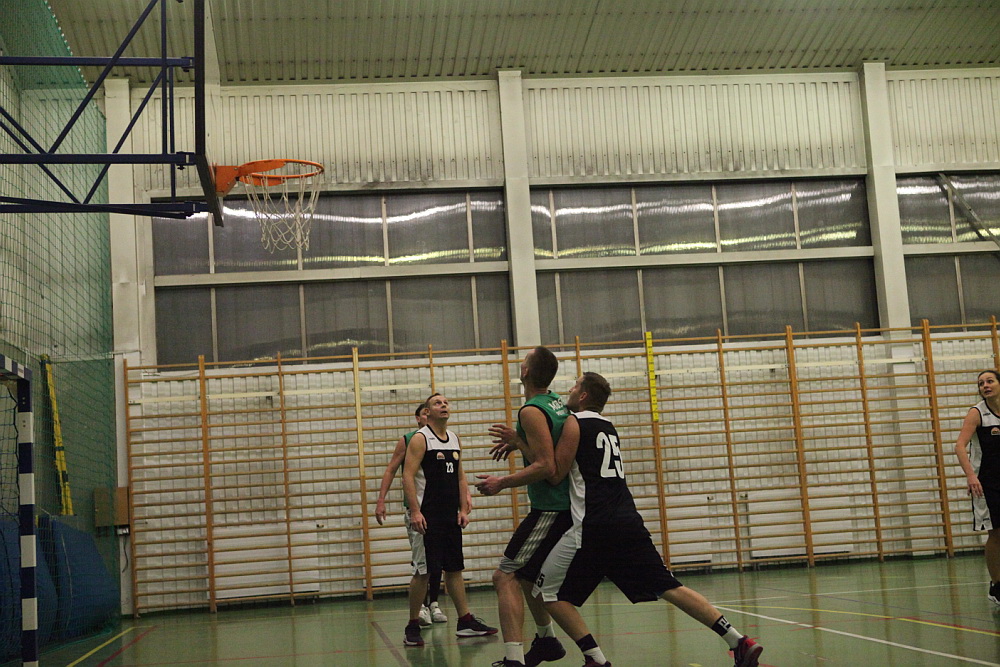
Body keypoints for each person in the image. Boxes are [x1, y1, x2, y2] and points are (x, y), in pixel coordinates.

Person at [534, 372, 763, 667]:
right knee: (669, 586)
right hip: (627, 520)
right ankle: (738, 640)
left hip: (594, 525)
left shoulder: (574, 423)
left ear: (584, 395)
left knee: (547, 592)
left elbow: (555, 474)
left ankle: (595, 659)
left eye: (575, 385)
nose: (570, 388)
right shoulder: (608, 426)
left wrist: (524, 445)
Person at [477, 346, 572, 667]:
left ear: (527, 372)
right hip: (562, 506)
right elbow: (550, 452)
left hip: (551, 509)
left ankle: (514, 659)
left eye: (524, 361)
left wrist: (501, 482)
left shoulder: (531, 411)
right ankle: (547, 641)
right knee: (529, 577)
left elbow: (547, 466)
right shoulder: (555, 402)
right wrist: (519, 442)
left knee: (503, 576)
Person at [400, 392, 497, 647]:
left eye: (445, 402)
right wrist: (415, 511)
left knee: (454, 569)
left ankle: (465, 621)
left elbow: (460, 476)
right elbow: (407, 476)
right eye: (437, 403)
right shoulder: (421, 439)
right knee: (423, 571)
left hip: (449, 516)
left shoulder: (454, 438)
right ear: (427, 412)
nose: (443, 405)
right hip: (427, 516)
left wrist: (463, 508)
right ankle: (412, 626)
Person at [374, 403, 446, 625]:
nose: (428, 415)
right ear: (418, 418)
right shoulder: (409, 440)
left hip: (441, 509)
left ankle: (434, 603)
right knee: (422, 561)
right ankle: (420, 607)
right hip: (419, 509)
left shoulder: (445, 440)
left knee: (438, 559)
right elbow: (391, 469)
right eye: (424, 413)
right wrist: (381, 499)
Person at [954, 369, 1000, 605]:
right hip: (987, 482)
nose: (985, 386)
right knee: (996, 532)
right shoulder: (977, 413)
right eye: (981, 383)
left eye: (990, 381)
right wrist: (971, 476)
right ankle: (997, 585)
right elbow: (960, 446)